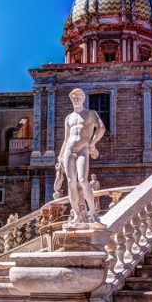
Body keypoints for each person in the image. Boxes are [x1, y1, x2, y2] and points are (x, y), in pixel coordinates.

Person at [54, 88, 106, 225]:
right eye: (74, 97)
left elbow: (101, 128)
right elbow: (66, 139)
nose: (76, 98)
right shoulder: (68, 118)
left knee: (82, 180)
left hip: (83, 149)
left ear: (84, 98)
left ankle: (93, 214)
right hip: (68, 150)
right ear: (71, 99)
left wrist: (92, 143)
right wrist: (60, 157)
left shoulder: (90, 114)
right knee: (71, 182)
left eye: (79, 96)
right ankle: (77, 215)